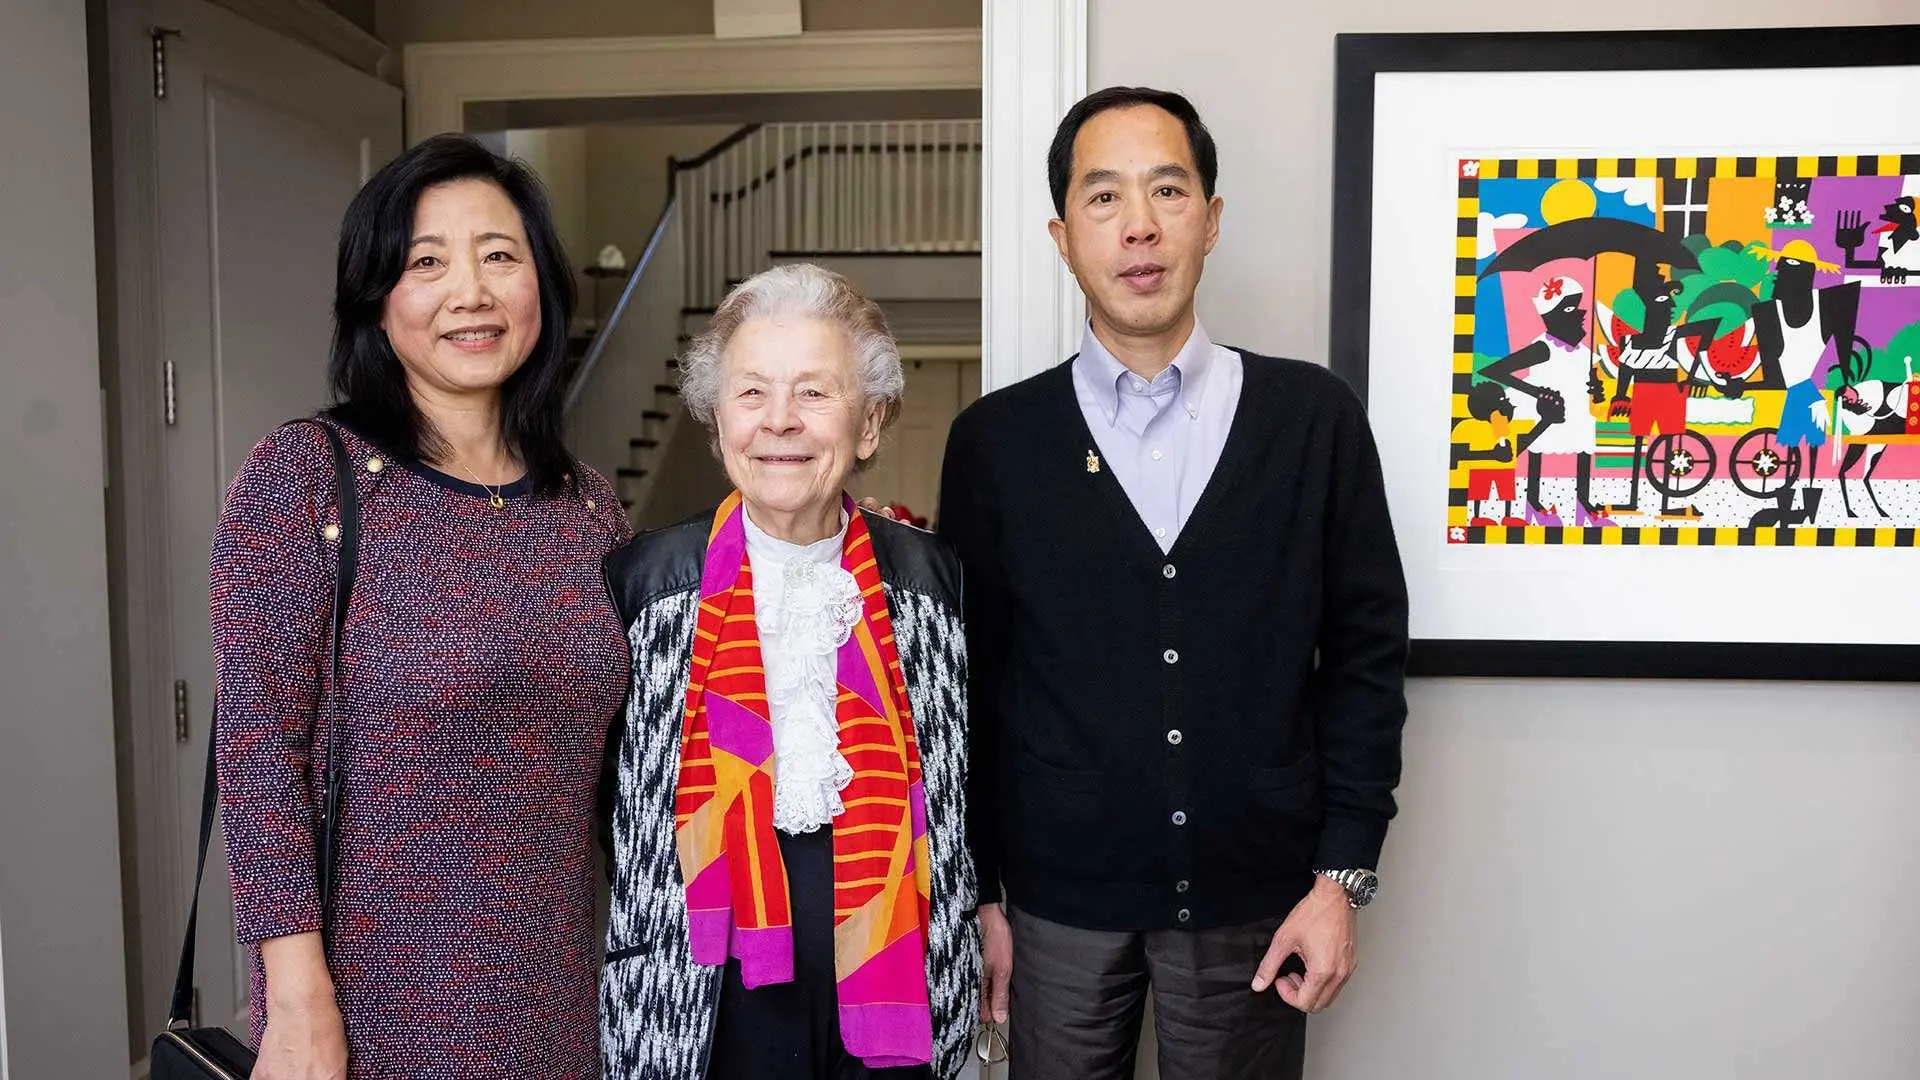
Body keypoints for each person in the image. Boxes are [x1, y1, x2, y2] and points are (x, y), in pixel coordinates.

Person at [936, 87, 1411, 1080]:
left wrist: (1340, 880)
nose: (1140, 225)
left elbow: (1365, 656)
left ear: (1212, 218)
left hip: (1257, 899)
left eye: (1168, 189)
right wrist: (979, 895)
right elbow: (974, 682)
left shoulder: (1311, 420)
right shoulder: (995, 442)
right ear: (1064, 236)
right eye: (1104, 198)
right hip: (1054, 906)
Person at [211, 133, 632, 1079]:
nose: (470, 293)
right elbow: (256, 747)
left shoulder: (587, 504)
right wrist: (297, 997)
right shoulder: (308, 477)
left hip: (559, 999)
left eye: (499, 256)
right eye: (425, 262)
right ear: (377, 299)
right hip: (369, 1008)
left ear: (541, 287)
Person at [598, 263, 982, 1080]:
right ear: (716, 425)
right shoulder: (642, 585)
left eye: (815, 393)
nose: (780, 422)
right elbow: (606, 807)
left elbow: (964, 796)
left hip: (895, 973)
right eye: (752, 393)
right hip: (703, 982)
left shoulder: (934, 582)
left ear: (869, 423)